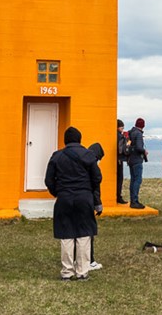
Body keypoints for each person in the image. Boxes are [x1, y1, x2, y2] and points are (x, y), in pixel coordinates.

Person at [45, 126, 102, 281]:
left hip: (64, 197)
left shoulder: (57, 156)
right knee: (84, 234)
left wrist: (58, 192)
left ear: (65, 140)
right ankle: (82, 271)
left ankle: (67, 271)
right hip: (84, 197)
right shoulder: (88, 155)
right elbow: (97, 178)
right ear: (79, 139)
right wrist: (94, 197)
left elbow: (48, 180)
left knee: (66, 234)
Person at [85, 142, 106, 270]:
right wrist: (98, 205)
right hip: (87, 201)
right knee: (88, 232)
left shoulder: (80, 161)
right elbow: (96, 187)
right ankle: (90, 260)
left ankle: (76, 259)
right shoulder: (93, 166)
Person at [127, 117, 148, 209]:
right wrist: (144, 151)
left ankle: (132, 200)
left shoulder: (131, 133)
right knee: (137, 180)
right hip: (137, 160)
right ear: (143, 126)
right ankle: (134, 201)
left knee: (133, 180)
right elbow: (139, 147)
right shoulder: (138, 134)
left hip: (130, 159)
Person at [116, 119, 128, 204]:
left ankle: (117, 195)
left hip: (115, 158)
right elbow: (122, 149)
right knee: (120, 178)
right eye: (121, 127)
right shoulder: (120, 136)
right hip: (119, 159)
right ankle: (118, 196)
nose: (122, 129)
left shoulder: (113, 135)